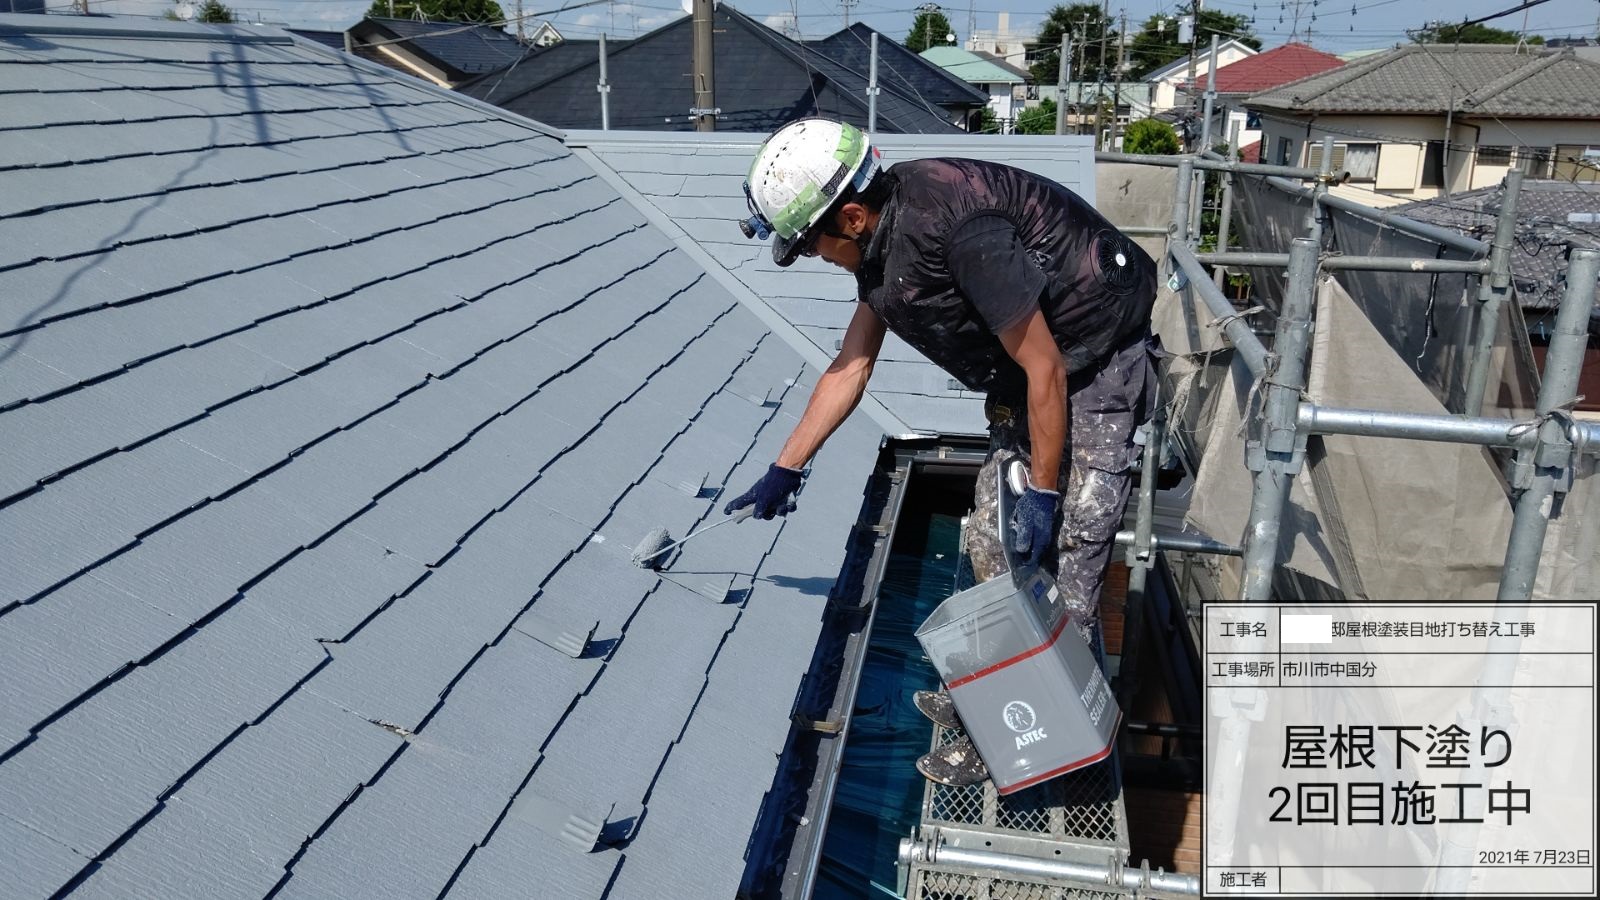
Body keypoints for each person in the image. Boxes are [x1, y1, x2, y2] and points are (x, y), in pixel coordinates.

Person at [724, 118, 1158, 787]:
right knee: (991, 538)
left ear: (852, 216)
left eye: (811, 243)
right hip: (1028, 372)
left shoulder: (959, 231)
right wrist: (787, 465)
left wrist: (1046, 493)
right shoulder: (881, 242)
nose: (811, 256)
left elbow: (1046, 366)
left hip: (1093, 359)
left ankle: (1030, 736)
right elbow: (851, 367)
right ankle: (999, 683)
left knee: (1070, 550)